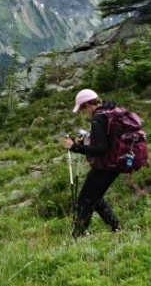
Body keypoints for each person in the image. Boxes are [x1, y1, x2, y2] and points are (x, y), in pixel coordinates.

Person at [63, 89, 120, 238]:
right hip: (114, 163)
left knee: (84, 200)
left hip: (106, 165)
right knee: (96, 196)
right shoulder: (109, 110)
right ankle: (116, 227)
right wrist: (85, 142)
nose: (83, 112)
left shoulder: (98, 118)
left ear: (88, 104)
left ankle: (77, 236)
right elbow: (106, 141)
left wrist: (75, 147)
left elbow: (102, 148)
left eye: (82, 108)